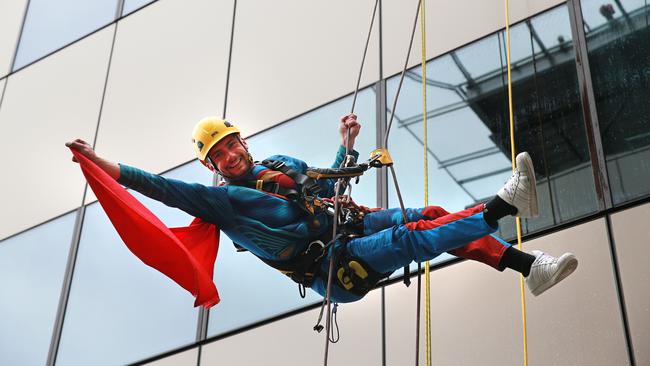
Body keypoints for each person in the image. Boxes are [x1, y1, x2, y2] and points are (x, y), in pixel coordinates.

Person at [66, 114, 577, 303]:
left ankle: (530, 268)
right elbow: (155, 186)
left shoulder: (277, 166)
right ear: (213, 167)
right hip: (330, 265)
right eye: (219, 153)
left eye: (231, 143)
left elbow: (324, 185)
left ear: (242, 140)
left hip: (347, 224)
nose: (231, 154)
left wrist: (346, 145)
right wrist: (100, 162)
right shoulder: (222, 201)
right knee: (408, 239)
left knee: (434, 211)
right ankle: (501, 207)